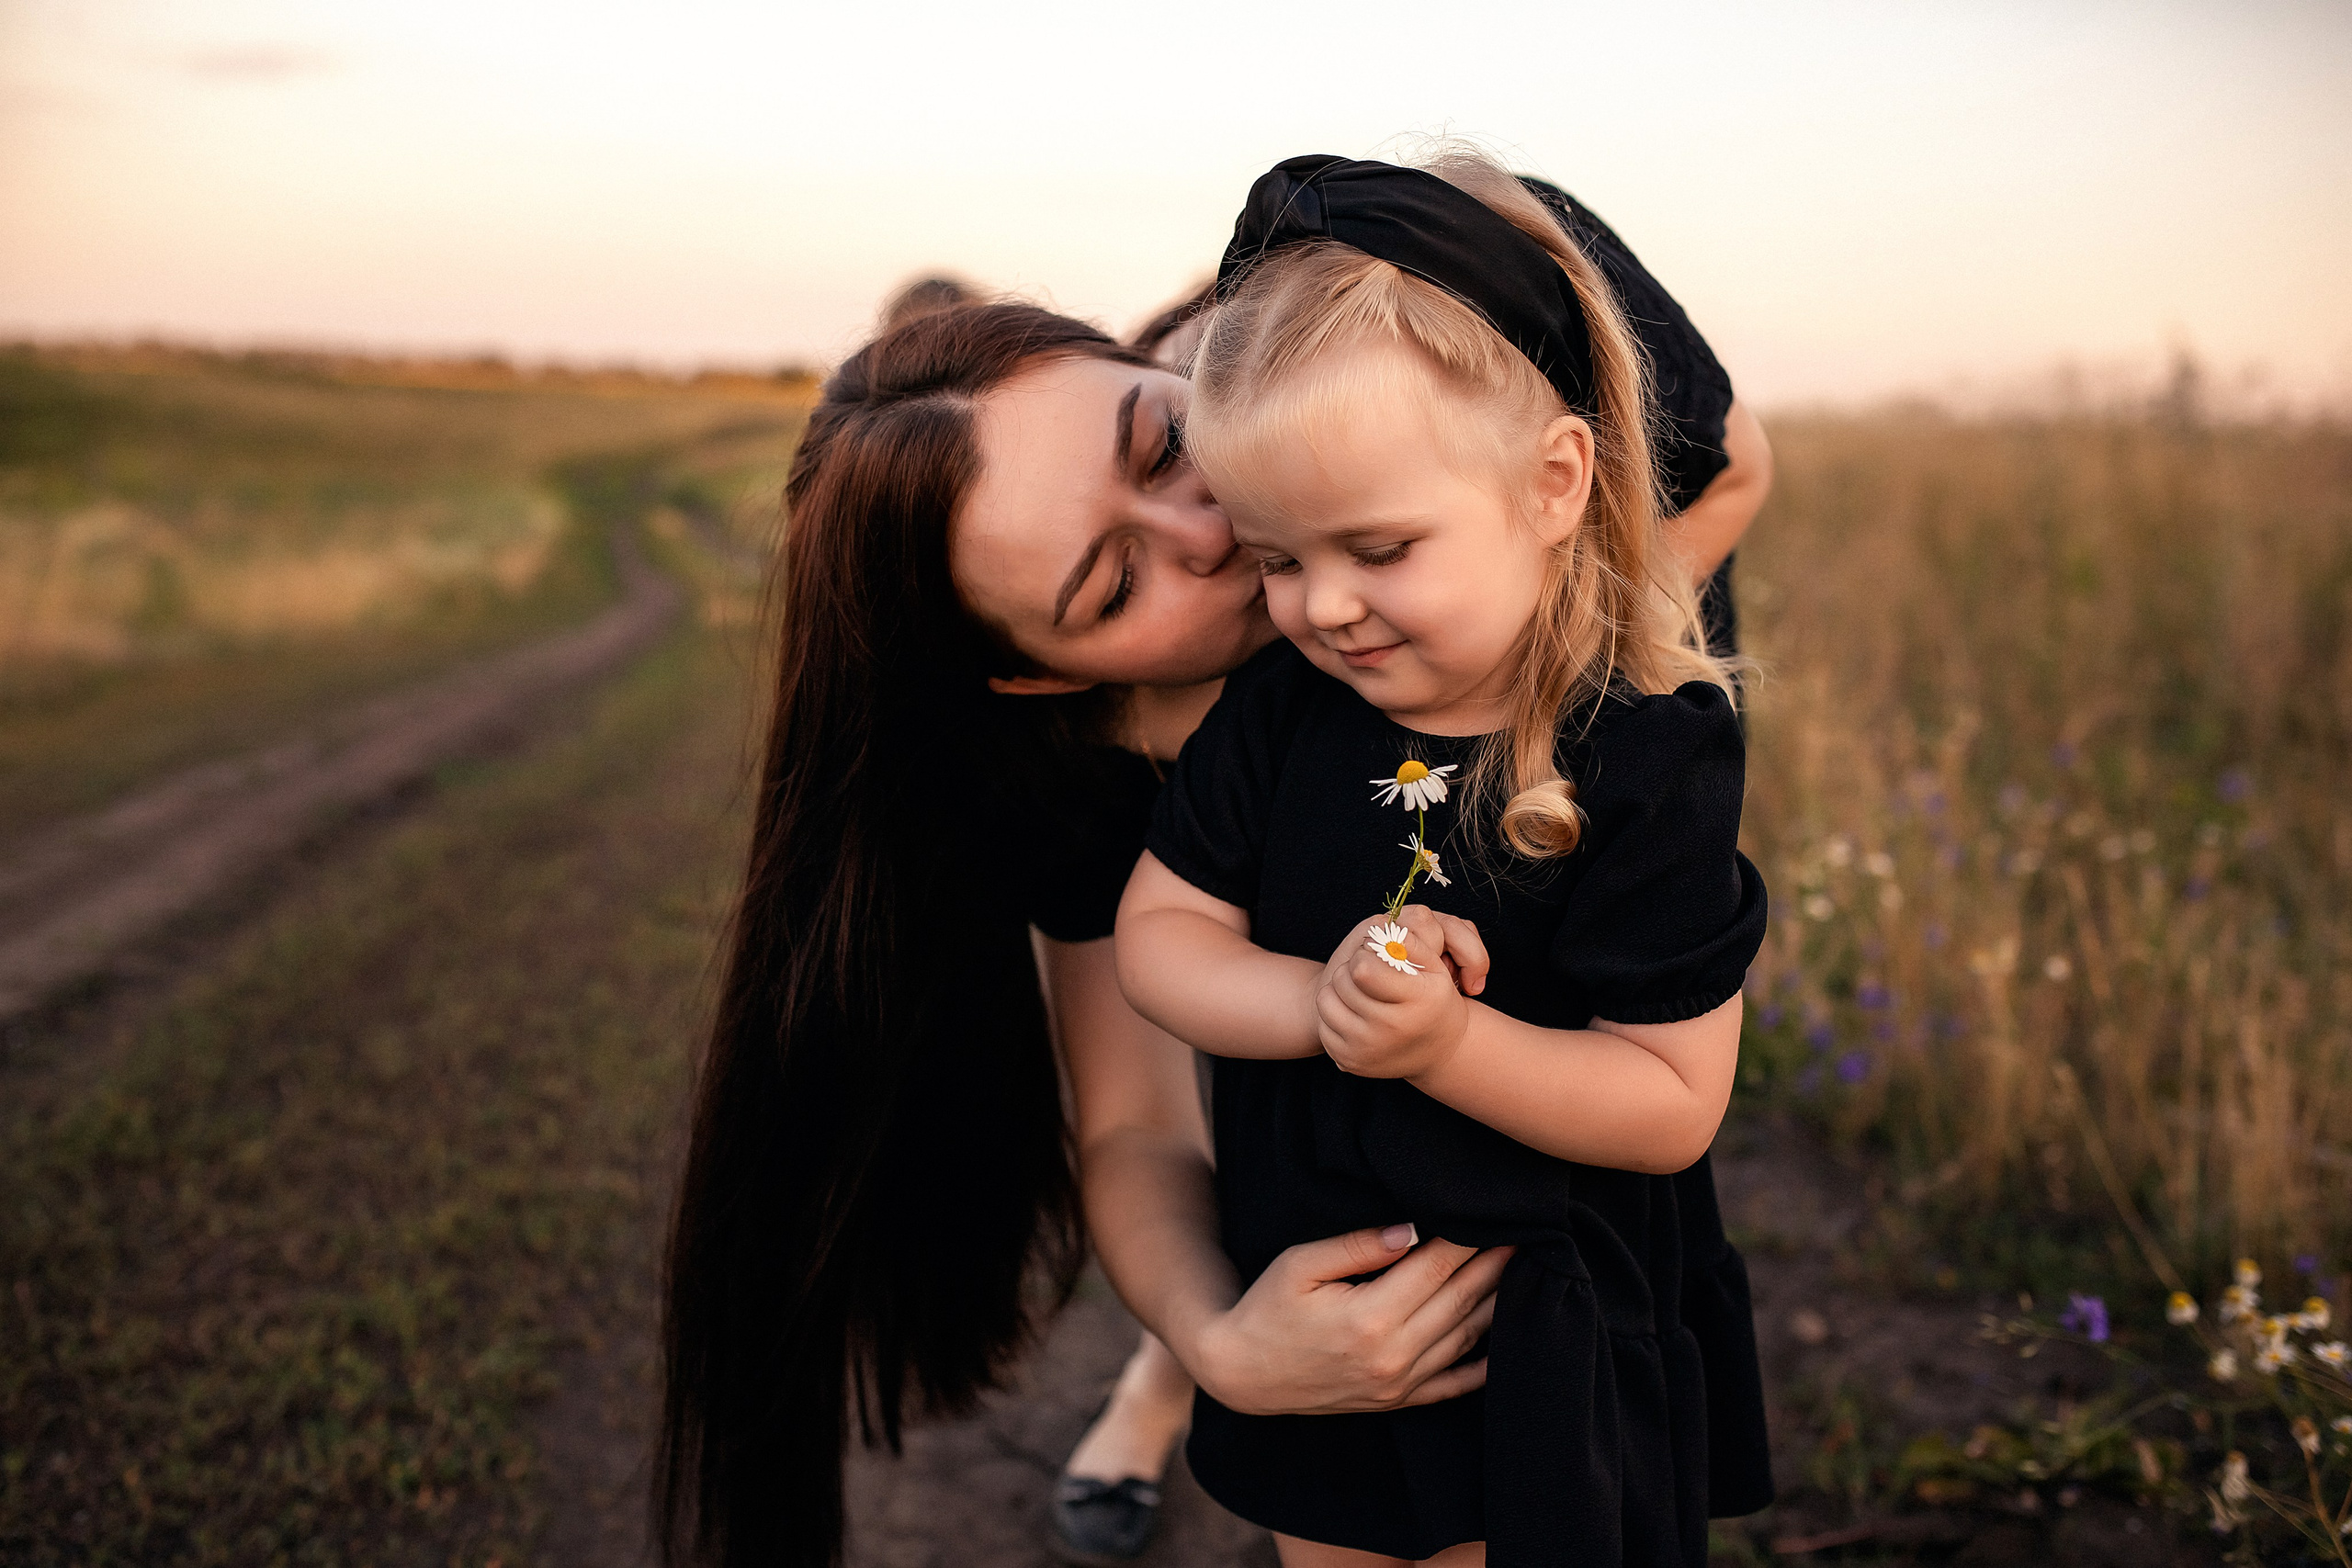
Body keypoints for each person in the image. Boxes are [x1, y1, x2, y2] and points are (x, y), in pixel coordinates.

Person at [655, 177, 1772, 1568]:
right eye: (1114, 589)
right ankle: (1166, 1386)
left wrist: (1536, 674)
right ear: (1039, 677)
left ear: (1166, 361)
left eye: (1164, 440)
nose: (1213, 536)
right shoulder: (1095, 776)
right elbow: (1139, 1124)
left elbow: (1732, 461)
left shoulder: (1398, 315)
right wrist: (1223, 1345)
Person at [1114, 150, 1770, 1568]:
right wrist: (1323, 1006)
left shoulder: (1647, 753)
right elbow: (1158, 936)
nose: (1323, 607)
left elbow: (1669, 1100)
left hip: (1547, 1343)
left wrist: (1442, 1047)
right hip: (1321, 1305)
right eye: (1279, 558)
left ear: (1551, 483)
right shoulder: (1281, 716)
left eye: (1379, 547)